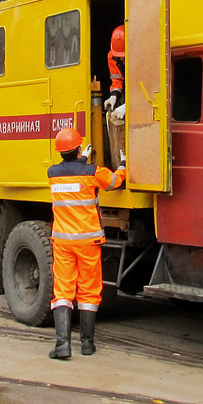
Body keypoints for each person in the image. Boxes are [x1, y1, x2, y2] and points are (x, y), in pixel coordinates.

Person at [47, 127, 126, 360]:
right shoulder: (93, 172)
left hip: (62, 241)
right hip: (88, 242)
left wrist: (80, 158)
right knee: (89, 291)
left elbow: (71, 172)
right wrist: (122, 165)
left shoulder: (53, 173)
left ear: (60, 152)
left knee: (62, 291)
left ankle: (62, 344)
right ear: (80, 147)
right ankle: (87, 344)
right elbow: (113, 182)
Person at [103, 25, 126, 167]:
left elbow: (146, 86)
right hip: (128, 91)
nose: (122, 60)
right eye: (120, 57)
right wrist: (114, 97)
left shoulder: (142, 56)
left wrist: (128, 107)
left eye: (124, 57)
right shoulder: (112, 56)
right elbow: (117, 80)